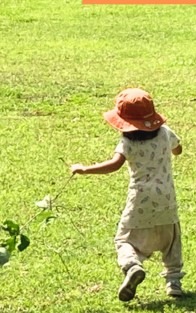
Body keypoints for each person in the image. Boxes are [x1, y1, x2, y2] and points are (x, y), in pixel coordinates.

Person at [71, 88, 184, 301]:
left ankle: (132, 266)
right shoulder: (165, 133)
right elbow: (178, 149)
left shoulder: (128, 143)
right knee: (171, 241)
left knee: (124, 239)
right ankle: (174, 282)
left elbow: (114, 165)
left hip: (140, 200)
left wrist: (84, 169)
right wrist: (172, 149)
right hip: (166, 199)